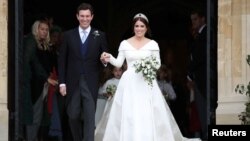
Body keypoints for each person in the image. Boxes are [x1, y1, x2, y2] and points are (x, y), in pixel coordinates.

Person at [99, 13, 201, 141]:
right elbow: (119, 63)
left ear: (146, 28)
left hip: (145, 81)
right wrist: (109, 58)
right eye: (137, 26)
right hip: (129, 82)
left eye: (142, 26)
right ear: (133, 27)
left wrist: (147, 65)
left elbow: (157, 63)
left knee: (145, 111)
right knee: (129, 112)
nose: (139, 29)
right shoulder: (125, 43)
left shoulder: (153, 44)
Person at [57, 2, 108, 141]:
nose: (84, 19)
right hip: (72, 82)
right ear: (77, 16)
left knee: (90, 117)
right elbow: (62, 61)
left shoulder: (99, 35)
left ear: (92, 17)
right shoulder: (68, 35)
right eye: (82, 16)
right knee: (72, 115)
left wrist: (104, 60)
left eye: (87, 16)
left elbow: (104, 59)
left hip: (91, 82)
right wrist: (62, 83)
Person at [22, 19, 58, 141]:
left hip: (42, 84)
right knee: (34, 115)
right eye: (41, 29)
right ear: (36, 29)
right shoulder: (31, 42)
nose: (44, 32)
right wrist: (46, 78)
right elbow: (32, 63)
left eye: (46, 30)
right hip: (33, 84)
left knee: (40, 115)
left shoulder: (44, 45)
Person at [187, 9, 209, 140]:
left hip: (204, 80)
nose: (193, 23)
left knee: (204, 113)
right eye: (192, 20)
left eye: (195, 19)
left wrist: (189, 74)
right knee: (200, 114)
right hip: (200, 81)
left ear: (203, 19)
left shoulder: (206, 34)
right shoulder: (199, 35)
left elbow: (199, 57)